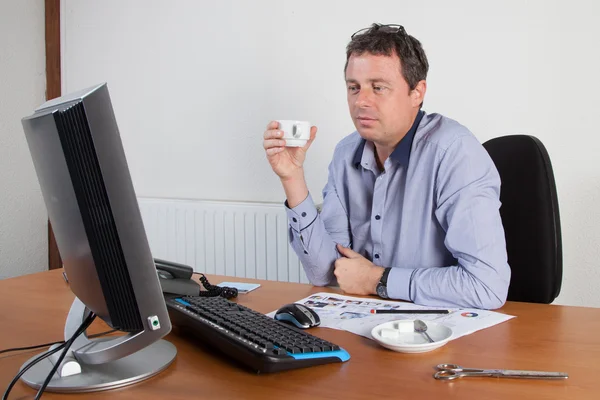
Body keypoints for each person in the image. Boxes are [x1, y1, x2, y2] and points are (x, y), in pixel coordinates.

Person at [262, 23, 510, 309]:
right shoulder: (345, 153)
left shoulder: (455, 153)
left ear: (417, 92)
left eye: (378, 88)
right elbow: (325, 272)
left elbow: (487, 287)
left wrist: (376, 280)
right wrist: (292, 178)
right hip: (370, 322)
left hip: (441, 335)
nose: (361, 101)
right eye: (353, 88)